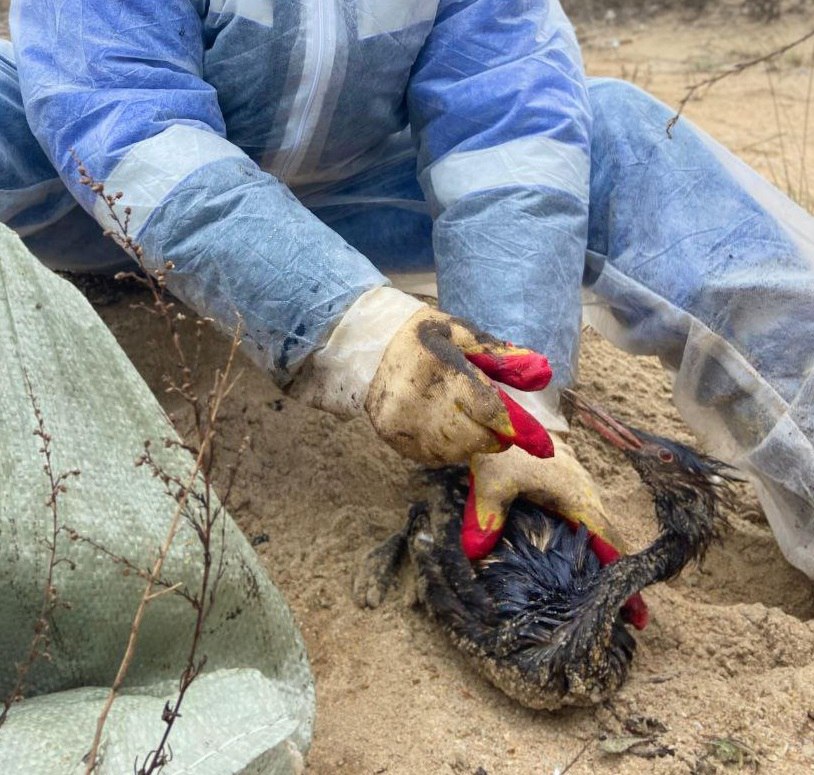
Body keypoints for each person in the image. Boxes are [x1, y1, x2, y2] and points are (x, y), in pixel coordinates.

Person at [3, 2, 814, 579]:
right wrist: (354, 327)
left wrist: (512, 408)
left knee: (621, 136)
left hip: (357, 185)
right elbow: (126, 117)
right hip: (73, 187)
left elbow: (507, 128)